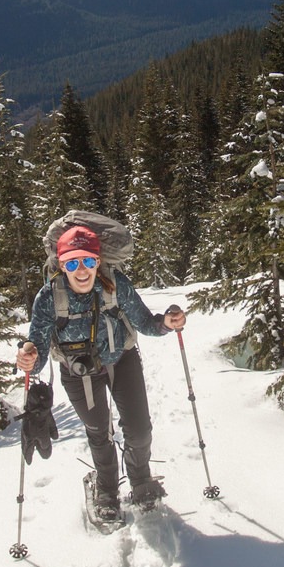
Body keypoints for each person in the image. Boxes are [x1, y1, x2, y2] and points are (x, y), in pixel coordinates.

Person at [16, 223, 185, 522]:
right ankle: (106, 488)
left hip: (122, 360)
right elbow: (38, 347)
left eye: (88, 261)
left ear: (98, 261)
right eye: (72, 262)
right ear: (62, 264)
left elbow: (144, 322)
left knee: (140, 429)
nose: (81, 270)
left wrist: (166, 324)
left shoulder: (114, 283)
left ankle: (140, 477)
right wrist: (29, 357)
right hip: (77, 372)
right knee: (98, 431)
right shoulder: (49, 297)